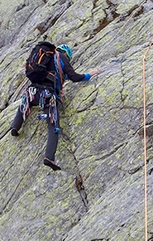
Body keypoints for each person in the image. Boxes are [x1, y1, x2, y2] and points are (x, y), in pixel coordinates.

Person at [10, 42, 100, 170]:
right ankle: (49, 157)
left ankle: (15, 127)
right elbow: (74, 77)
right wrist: (89, 74)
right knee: (53, 126)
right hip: (47, 95)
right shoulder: (61, 57)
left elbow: (64, 76)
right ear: (67, 55)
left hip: (32, 91)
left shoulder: (45, 58)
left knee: (26, 103)